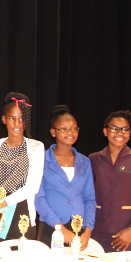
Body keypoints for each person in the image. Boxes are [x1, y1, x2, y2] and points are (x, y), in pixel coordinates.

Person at [89, 110, 131, 252]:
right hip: (97, 231)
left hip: (127, 234)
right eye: (114, 128)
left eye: (125, 129)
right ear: (105, 132)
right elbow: (87, 196)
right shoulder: (93, 159)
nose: (120, 133)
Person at [0, 92, 44, 240]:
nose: (17, 124)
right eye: (12, 118)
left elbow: (33, 186)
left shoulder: (36, 146)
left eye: (21, 119)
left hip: (20, 209)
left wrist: (4, 203)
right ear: (4, 119)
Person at [35, 105, 96, 249]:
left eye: (74, 128)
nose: (70, 132)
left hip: (78, 229)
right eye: (63, 128)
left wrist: (88, 230)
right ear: (53, 132)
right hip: (51, 228)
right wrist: (61, 229)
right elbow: (39, 198)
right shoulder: (41, 159)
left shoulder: (84, 161)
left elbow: (89, 198)